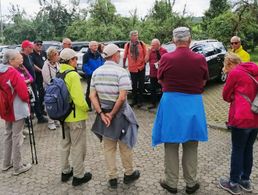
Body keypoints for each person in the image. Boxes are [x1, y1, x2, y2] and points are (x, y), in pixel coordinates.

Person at [152, 27, 209, 194]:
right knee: (191, 144)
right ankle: (191, 183)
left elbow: (161, 80)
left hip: (172, 104)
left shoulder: (166, 58)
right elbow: (204, 81)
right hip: (193, 103)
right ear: (189, 40)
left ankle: (171, 182)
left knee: (171, 144)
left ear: (174, 40)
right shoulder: (199, 59)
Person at [90, 44, 140, 189]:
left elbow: (92, 95)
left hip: (104, 114)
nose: (119, 56)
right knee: (125, 145)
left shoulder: (96, 72)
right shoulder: (121, 72)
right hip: (120, 115)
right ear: (115, 55)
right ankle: (129, 174)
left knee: (108, 147)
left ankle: (112, 178)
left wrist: (101, 113)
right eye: (118, 53)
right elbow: (122, 97)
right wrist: (112, 114)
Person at [219, 53, 258, 195]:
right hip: (255, 117)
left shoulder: (235, 73)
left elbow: (225, 95)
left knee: (237, 149)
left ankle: (233, 183)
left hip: (241, 118)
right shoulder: (254, 69)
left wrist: (235, 97)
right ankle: (246, 181)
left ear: (230, 63)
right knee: (248, 149)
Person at [59, 48, 92, 186]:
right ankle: (79, 175)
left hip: (63, 115)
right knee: (78, 146)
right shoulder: (72, 75)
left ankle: (65, 172)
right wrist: (87, 108)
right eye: (75, 59)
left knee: (65, 145)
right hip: (75, 116)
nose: (76, 61)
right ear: (71, 60)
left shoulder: (59, 72)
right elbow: (78, 98)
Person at [0, 49, 32, 175]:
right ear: (11, 60)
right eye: (19, 58)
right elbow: (23, 93)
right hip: (16, 108)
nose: (21, 60)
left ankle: (6, 163)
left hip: (5, 107)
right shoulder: (12, 71)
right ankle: (18, 166)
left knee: (8, 134)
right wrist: (28, 95)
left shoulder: (2, 70)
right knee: (17, 136)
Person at [21, 40, 48, 124]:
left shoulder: (28, 56)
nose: (32, 48)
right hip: (27, 84)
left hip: (33, 82)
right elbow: (21, 71)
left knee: (36, 99)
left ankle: (39, 117)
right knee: (29, 101)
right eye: (30, 47)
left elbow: (32, 66)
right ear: (25, 48)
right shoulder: (21, 57)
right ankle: (27, 120)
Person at [123, 30, 147, 108]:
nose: (136, 36)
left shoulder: (142, 44)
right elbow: (125, 55)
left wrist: (144, 64)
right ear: (131, 36)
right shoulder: (127, 45)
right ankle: (134, 101)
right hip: (132, 68)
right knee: (134, 85)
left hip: (141, 68)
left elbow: (146, 55)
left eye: (136, 35)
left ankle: (140, 101)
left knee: (141, 85)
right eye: (134, 35)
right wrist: (124, 65)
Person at [82, 41, 104, 111]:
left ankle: (99, 106)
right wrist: (92, 73)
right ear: (90, 47)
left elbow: (102, 63)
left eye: (96, 45)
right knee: (90, 91)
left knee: (99, 91)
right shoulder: (86, 55)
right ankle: (88, 106)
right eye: (94, 45)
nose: (96, 47)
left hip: (99, 76)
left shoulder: (99, 54)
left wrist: (101, 71)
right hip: (90, 76)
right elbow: (85, 66)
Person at [42, 47, 60, 130]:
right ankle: (51, 122)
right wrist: (55, 85)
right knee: (50, 105)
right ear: (53, 55)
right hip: (50, 89)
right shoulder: (46, 66)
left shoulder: (57, 64)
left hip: (58, 88)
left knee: (57, 105)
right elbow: (47, 80)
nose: (58, 56)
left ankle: (56, 120)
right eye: (57, 54)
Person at [146, 38, 167, 109]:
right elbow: (145, 61)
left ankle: (163, 104)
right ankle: (153, 103)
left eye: (154, 45)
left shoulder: (164, 51)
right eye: (151, 45)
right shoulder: (150, 51)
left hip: (162, 74)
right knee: (153, 89)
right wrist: (148, 52)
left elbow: (167, 61)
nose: (152, 47)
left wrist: (160, 62)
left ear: (158, 45)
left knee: (163, 89)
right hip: (153, 73)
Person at [30, 40, 47, 114]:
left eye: (41, 44)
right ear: (33, 45)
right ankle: (37, 111)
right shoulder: (31, 54)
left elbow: (46, 62)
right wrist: (41, 70)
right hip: (36, 78)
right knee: (37, 95)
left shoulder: (43, 53)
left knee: (43, 93)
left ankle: (42, 109)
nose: (39, 46)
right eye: (37, 44)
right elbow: (32, 65)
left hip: (44, 77)